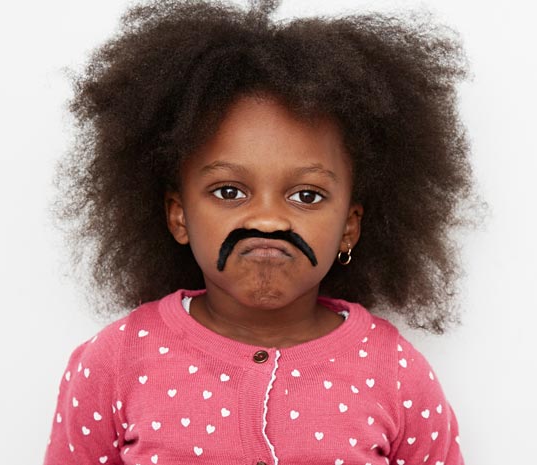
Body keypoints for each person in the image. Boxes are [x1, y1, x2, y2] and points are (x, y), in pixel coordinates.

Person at [45, 0, 476, 463]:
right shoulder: (117, 360)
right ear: (178, 216)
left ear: (350, 226)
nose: (268, 221)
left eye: (306, 195)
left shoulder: (396, 371)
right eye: (229, 191)